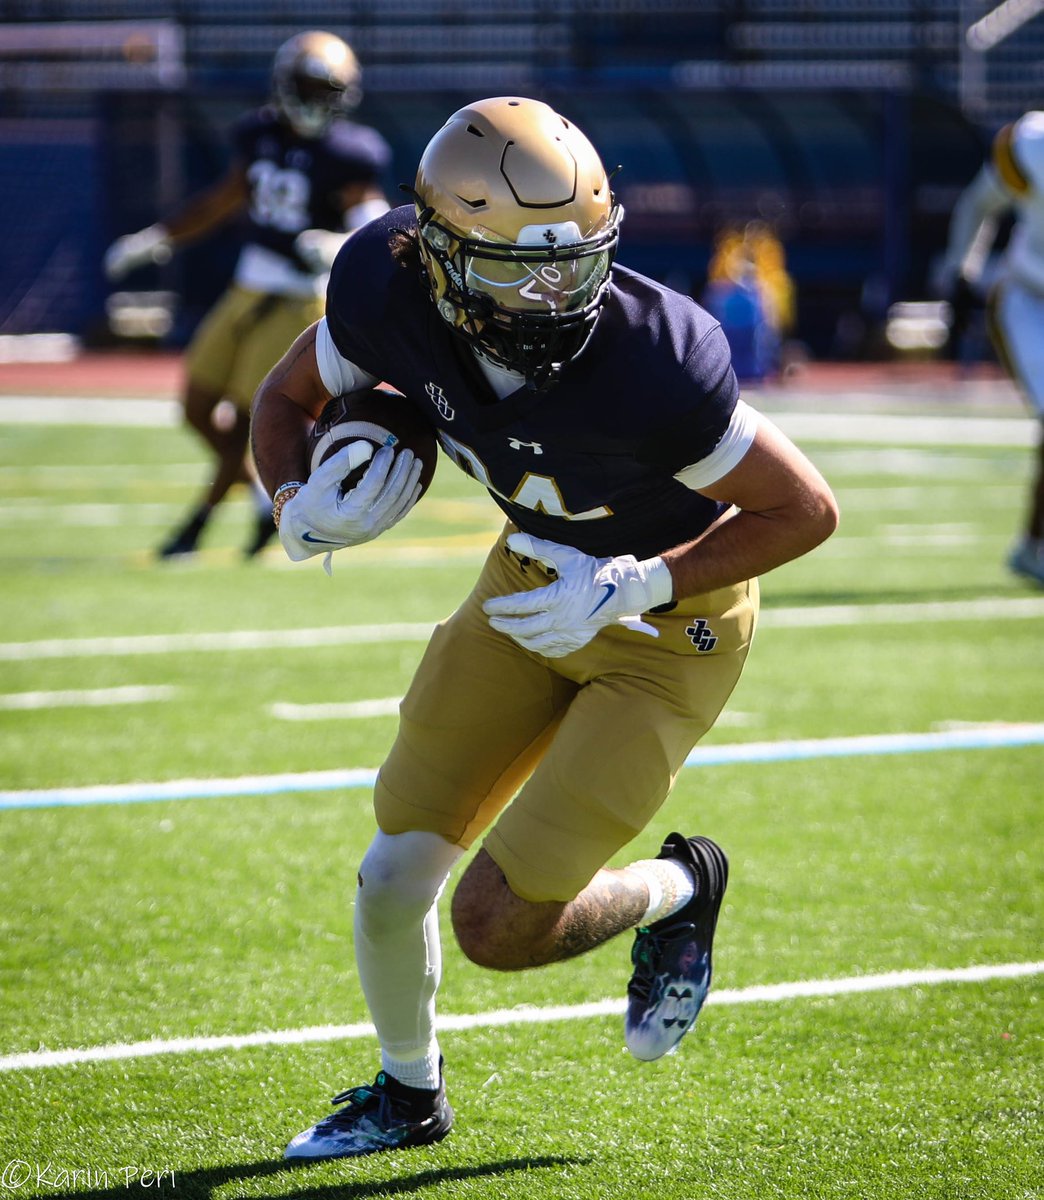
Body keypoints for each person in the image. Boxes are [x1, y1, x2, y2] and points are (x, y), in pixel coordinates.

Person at [250, 96, 838, 1161]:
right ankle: (406, 1095)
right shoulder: (385, 284)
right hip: (524, 583)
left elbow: (804, 509)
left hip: (672, 629)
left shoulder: (656, 356)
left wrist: (640, 584)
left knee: (497, 928)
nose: (552, 297)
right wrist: (292, 503)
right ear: (436, 251)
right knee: (391, 876)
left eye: (571, 267)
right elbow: (284, 399)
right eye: (515, 269)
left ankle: (679, 886)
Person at [105, 30, 391, 559]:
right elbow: (224, 199)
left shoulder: (351, 151)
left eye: (325, 92)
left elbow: (371, 216)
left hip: (297, 298)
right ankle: (262, 499)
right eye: (308, 89)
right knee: (195, 406)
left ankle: (197, 524)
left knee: (246, 417)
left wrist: (337, 243)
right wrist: (158, 239)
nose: (315, 102)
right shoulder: (258, 133)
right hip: (247, 287)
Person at [935, 110, 1044, 586]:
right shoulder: (1031, 145)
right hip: (1030, 298)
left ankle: (1033, 544)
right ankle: (1034, 547)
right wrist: (961, 272)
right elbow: (979, 203)